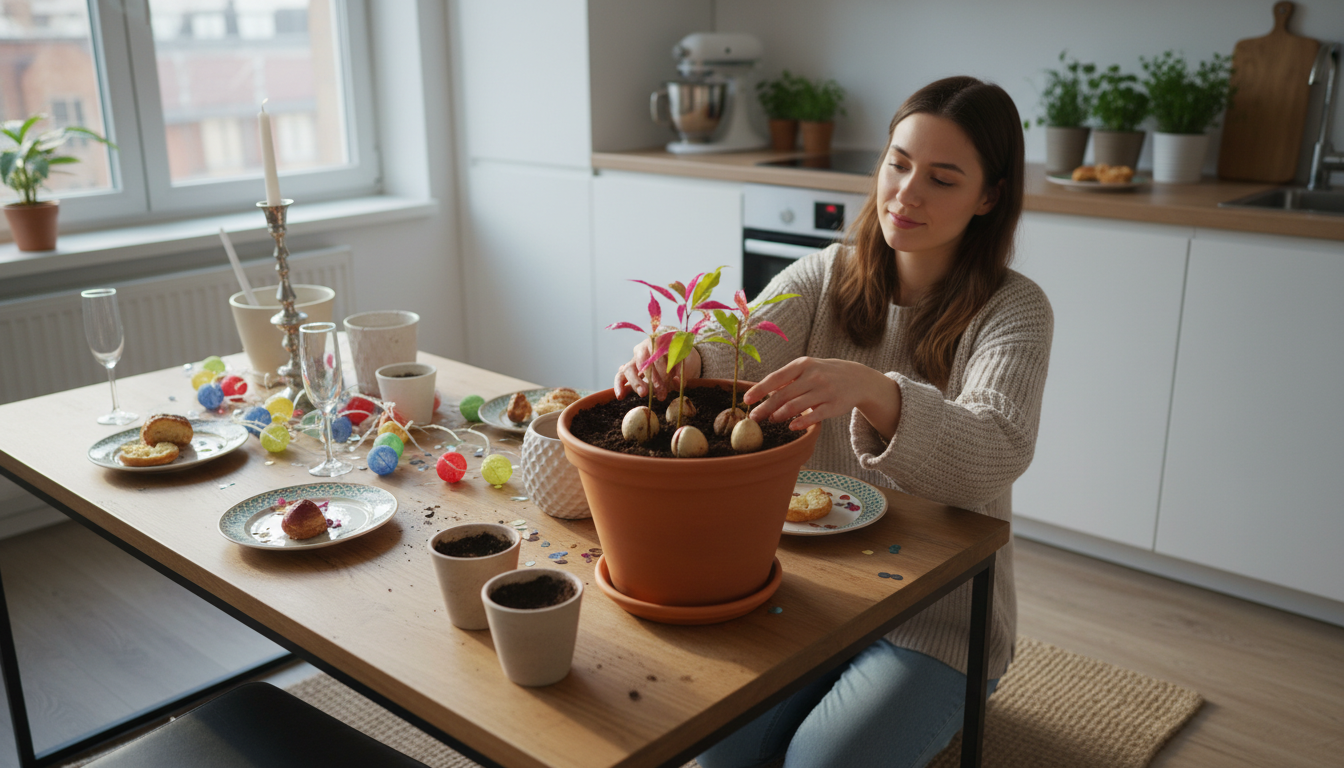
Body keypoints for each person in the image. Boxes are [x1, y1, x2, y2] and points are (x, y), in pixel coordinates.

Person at [613, 76, 1053, 768]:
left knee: (818, 763)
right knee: (713, 755)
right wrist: (682, 359)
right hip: (816, 592)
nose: (906, 193)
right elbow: (739, 350)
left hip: (936, 621)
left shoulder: (1015, 310)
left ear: (989, 197)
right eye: (898, 163)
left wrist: (877, 392)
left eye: (942, 179)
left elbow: (996, 449)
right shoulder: (824, 275)